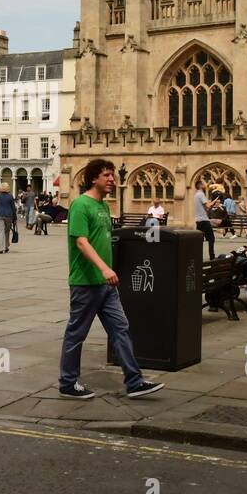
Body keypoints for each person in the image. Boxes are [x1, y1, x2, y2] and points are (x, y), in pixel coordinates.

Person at [59, 158, 163, 401]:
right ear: (93, 178)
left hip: (106, 285)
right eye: (106, 175)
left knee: (121, 330)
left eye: (112, 175)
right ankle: (67, 382)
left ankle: (134, 382)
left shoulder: (104, 207)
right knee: (76, 334)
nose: (111, 179)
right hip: (85, 283)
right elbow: (81, 241)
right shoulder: (80, 205)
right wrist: (105, 268)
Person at [192, 180, 216, 260]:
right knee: (211, 239)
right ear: (200, 185)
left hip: (199, 220)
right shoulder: (201, 194)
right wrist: (214, 201)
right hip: (204, 220)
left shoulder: (196, 195)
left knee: (200, 240)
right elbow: (208, 206)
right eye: (203, 184)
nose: (205, 185)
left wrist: (211, 204)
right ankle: (212, 257)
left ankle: (198, 257)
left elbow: (206, 209)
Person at [0, 181, 17, 254]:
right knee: (7, 231)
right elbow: (13, 208)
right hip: (9, 215)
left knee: (0, 231)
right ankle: (6, 247)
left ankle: (1, 248)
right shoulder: (10, 196)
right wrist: (15, 218)